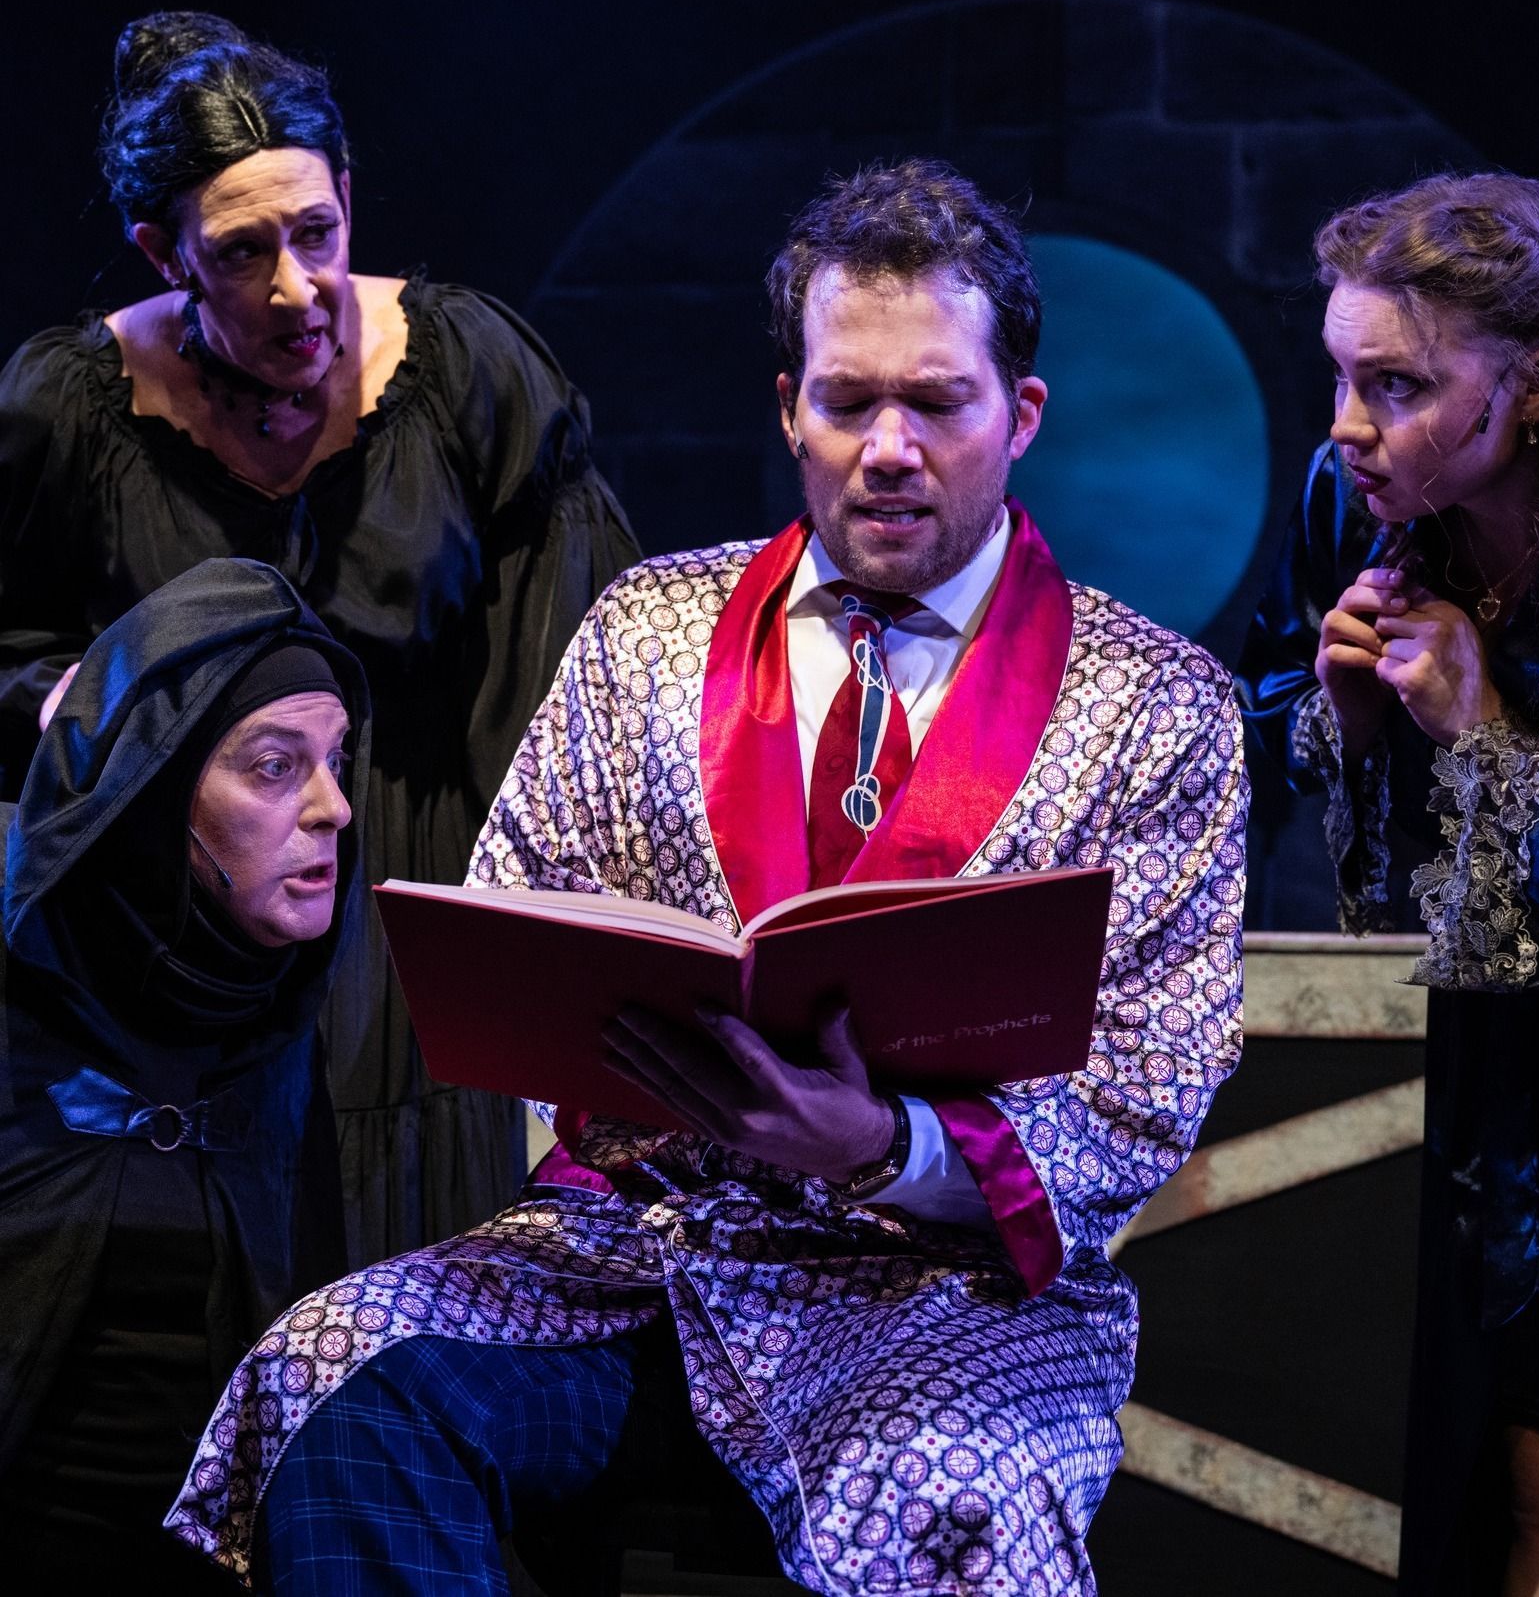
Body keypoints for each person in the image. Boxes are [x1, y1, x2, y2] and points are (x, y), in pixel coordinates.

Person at [166, 159, 1248, 1597]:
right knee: (333, 1375)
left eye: (934, 401)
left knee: (958, 1499)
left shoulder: (1156, 708)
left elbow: (1146, 1082)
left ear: (1018, 417)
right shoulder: (646, 632)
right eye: (847, 399)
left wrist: (875, 1141)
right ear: (788, 407)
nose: (886, 446)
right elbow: (519, 904)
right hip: (635, 1257)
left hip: (945, 1300)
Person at [0, 11, 639, 1265]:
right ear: (162, 253)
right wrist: (67, 695)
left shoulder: (464, 373)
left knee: (423, 1274)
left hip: (424, 891)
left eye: (317, 233)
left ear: (348, 196)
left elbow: (589, 667)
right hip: (195, 938)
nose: (296, 288)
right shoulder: (70, 415)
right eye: (243, 254)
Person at [1237, 173, 1539, 1595]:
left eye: (1395, 384)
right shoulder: (1353, 503)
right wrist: (1339, 718)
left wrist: (1483, 737)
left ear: (1531, 385)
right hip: (1484, 1088)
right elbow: (1311, 783)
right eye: (1339, 377)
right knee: (1527, 1504)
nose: (1347, 424)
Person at [0, 557, 370, 1589]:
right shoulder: (23, 966)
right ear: (157, 788)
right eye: (273, 766)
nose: (333, 807)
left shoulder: (277, 1001)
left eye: (337, 759)